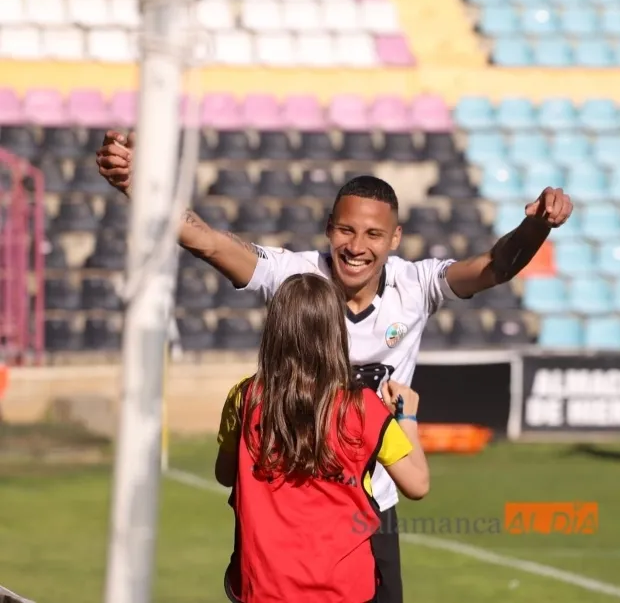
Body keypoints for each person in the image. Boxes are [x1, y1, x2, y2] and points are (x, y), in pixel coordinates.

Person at [96, 130, 573, 602]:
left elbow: (495, 266)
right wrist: (144, 187)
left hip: (370, 503)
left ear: (395, 238)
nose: (356, 246)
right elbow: (211, 244)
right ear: (329, 227)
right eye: (346, 230)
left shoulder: (416, 285)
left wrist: (537, 227)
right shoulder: (294, 276)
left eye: (373, 234)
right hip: (289, 503)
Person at [214, 273, 429, 603]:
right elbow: (418, 484)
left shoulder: (245, 398)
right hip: (344, 589)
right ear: (335, 333)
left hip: (263, 587)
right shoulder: (363, 409)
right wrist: (407, 418)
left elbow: (224, 474)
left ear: (275, 331)